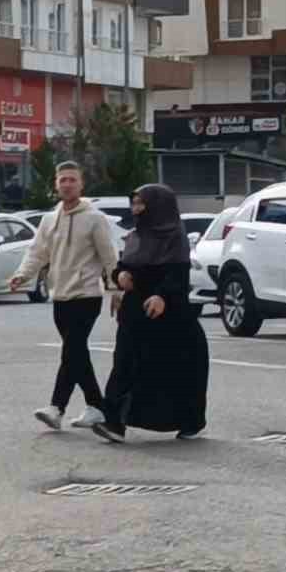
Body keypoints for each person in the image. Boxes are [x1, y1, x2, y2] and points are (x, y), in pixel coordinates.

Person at [91, 184, 210, 444]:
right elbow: (122, 266)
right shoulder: (135, 237)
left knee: (176, 370)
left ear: (158, 207)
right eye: (134, 203)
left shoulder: (175, 238)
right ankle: (114, 422)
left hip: (168, 316)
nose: (136, 209)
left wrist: (162, 296)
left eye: (141, 204)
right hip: (135, 311)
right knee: (124, 363)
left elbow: (177, 275)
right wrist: (120, 276)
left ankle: (189, 420)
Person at [9, 161, 120, 431]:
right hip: (59, 295)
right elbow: (38, 252)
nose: (67, 184)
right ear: (56, 185)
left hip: (87, 295)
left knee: (72, 350)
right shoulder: (49, 219)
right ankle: (96, 407)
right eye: (63, 180)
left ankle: (57, 407)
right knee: (76, 354)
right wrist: (22, 274)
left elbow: (109, 256)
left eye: (72, 179)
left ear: (81, 185)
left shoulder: (95, 218)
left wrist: (116, 289)